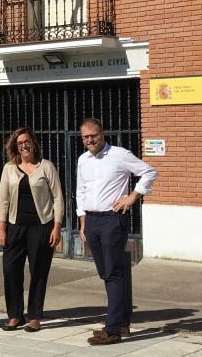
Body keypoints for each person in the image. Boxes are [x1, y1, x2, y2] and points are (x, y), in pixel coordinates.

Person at [76, 118, 157, 346]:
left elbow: (149, 172)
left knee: (113, 273)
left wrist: (131, 197)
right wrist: (82, 222)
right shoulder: (83, 160)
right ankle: (121, 322)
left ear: (103, 134)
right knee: (107, 273)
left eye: (93, 135)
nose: (90, 140)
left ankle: (112, 330)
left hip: (113, 220)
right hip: (91, 220)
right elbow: (81, 190)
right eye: (85, 137)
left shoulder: (120, 154)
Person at [0, 127, 64, 332]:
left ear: (34, 144)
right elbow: (2, 200)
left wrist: (57, 227)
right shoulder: (9, 168)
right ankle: (15, 315)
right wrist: (1, 227)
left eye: (27, 142)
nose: (23, 146)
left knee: (39, 271)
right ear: (15, 147)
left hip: (41, 227)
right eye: (19, 143)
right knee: (10, 270)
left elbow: (58, 198)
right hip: (15, 227)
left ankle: (34, 316)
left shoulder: (47, 167)